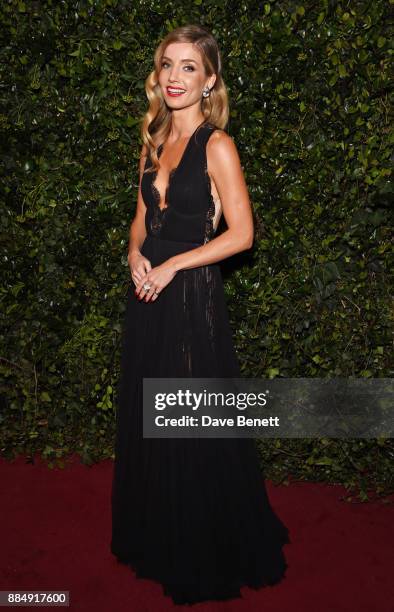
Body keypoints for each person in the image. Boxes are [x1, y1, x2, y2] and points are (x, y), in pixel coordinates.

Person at [111, 24, 290, 606]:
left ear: (210, 79)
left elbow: (243, 234)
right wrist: (136, 253)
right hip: (148, 295)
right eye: (168, 64)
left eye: (189, 67)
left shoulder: (218, 145)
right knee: (149, 416)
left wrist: (173, 266)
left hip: (190, 297)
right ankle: (156, 535)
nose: (174, 77)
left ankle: (203, 546)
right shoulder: (153, 138)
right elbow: (142, 219)